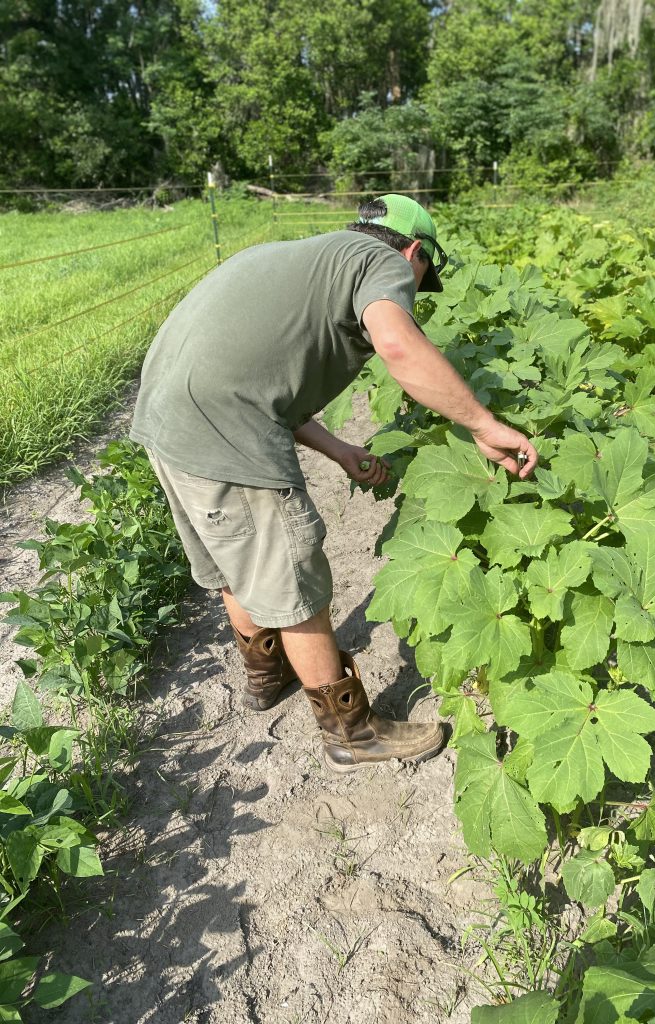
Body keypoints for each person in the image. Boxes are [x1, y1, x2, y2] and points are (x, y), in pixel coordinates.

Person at [129, 193, 538, 773]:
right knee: (292, 577)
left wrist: (340, 449)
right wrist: (482, 423)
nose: (413, 291)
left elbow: (258, 371)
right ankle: (353, 732)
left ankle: (264, 679)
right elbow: (397, 344)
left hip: (165, 416)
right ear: (415, 252)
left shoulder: (297, 259)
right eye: (423, 280)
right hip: (223, 424)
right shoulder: (381, 262)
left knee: (233, 562)